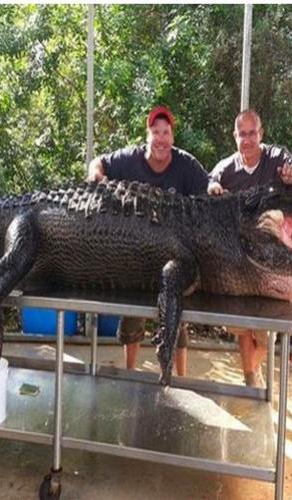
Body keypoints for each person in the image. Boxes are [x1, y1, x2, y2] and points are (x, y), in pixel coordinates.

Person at [88, 105, 209, 376]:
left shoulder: (186, 164)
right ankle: (131, 373)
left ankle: (182, 378)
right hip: (135, 255)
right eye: (156, 132)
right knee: (132, 318)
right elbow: (98, 163)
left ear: (173, 137)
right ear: (148, 134)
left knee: (177, 320)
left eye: (166, 132)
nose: (161, 138)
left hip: (173, 254)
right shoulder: (130, 158)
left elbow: (207, 190)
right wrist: (96, 176)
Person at [208, 108, 292, 387]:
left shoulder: (277, 157)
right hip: (241, 259)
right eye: (242, 134)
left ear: (261, 134)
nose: (247, 139)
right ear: (235, 136)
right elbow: (207, 186)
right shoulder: (226, 168)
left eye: (252, 133)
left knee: (266, 329)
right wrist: (213, 189)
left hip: (274, 258)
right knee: (244, 325)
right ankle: (250, 378)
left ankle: (252, 374)